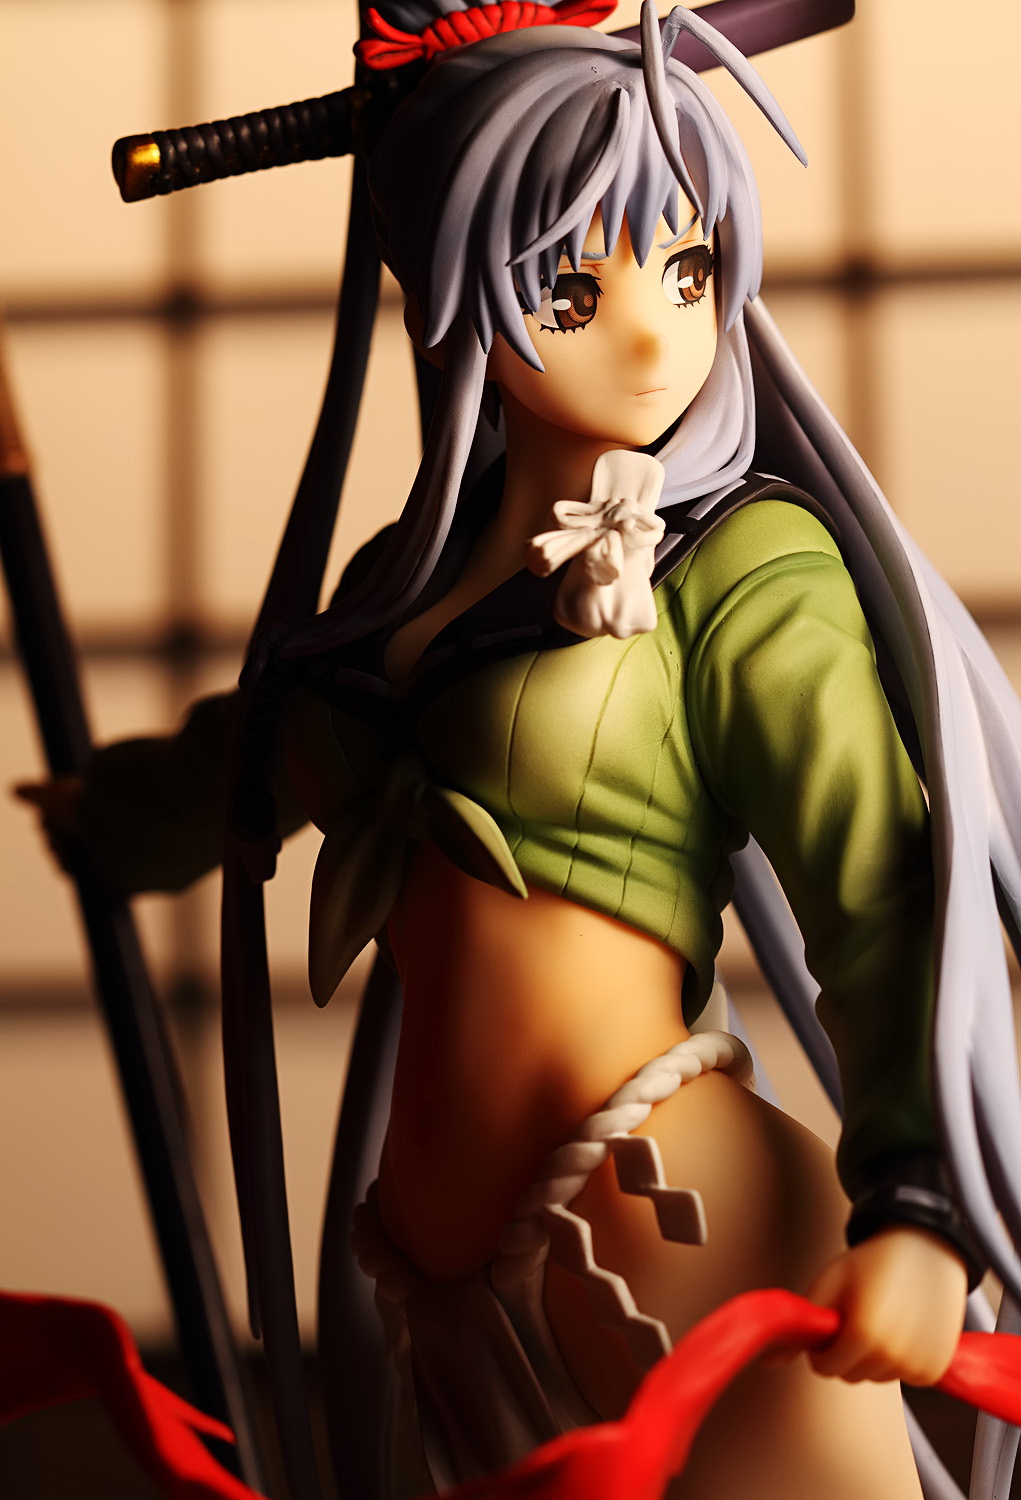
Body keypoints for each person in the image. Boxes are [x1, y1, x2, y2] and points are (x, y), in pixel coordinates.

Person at [18, 4, 1021, 1497]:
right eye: (571, 281)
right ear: (453, 280)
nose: (652, 329)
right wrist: (116, 817)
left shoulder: (740, 569)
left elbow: (878, 890)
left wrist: (922, 1203)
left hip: (678, 1223)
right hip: (440, 1277)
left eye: (688, 267)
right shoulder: (404, 582)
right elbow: (257, 761)